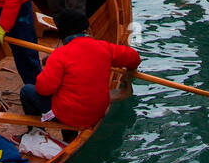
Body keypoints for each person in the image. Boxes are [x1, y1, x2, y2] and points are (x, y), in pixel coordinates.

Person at [19, 8, 140, 138]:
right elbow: (134, 58)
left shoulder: (59, 55)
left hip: (69, 115)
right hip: (97, 113)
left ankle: (35, 132)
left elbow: (43, 89)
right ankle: (69, 139)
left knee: (27, 91)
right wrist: (130, 71)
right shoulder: (104, 47)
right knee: (68, 97)